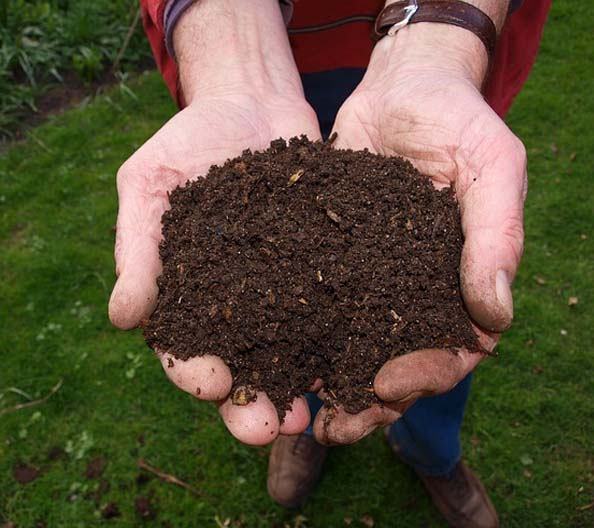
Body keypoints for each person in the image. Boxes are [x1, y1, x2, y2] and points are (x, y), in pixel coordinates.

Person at [108, 1, 551, 526]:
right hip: (279, 46)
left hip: (444, 49)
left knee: (440, 331)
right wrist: (233, 48)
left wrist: (440, 41)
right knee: (305, 351)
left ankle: (433, 454)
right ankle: (302, 418)